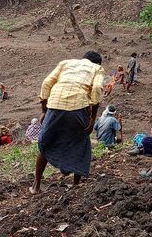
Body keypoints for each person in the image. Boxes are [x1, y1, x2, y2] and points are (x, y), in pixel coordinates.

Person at [31, 51, 105, 194]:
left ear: (83, 58)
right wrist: (93, 118)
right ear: (98, 63)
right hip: (79, 106)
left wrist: (44, 111)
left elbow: (46, 83)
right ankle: (76, 185)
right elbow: (96, 88)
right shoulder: (97, 68)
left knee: (47, 142)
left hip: (55, 103)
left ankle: (36, 185)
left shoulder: (65, 63)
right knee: (80, 142)